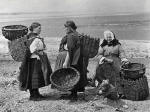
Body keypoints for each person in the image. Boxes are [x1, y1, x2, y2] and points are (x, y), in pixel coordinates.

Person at [18, 22, 52, 101]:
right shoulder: (34, 38)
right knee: (33, 77)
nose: (40, 30)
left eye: (40, 28)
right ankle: (33, 96)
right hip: (34, 60)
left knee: (33, 78)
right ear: (34, 29)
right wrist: (39, 53)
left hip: (33, 60)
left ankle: (36, 94)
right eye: (39, 28)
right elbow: (31, 49)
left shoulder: (32, 37)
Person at [94, 30, 129, 96]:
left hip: (115, 62)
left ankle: (119, 92)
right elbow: (99, 55)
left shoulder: (118, 45)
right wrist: (105, 59)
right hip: (105, 62)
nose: (109, 39)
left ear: (113, 37)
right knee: (102, 75)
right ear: (105, 38)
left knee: (117, 75)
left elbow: (121, 53)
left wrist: (124, 59)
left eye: (110, 37)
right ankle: (103, 90)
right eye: (107, 37)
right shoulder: (102, 46)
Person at [62, 20, 88, 100]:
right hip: (79, 58)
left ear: (69, 28)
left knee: (72, 76)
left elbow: (70, 50)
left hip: (73, 59)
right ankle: (74, 93)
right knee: (77, 75)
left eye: (66, 28)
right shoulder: (77, 34)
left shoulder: (70, 36)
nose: (65, 29)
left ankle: (73, 95)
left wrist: (66, 62)